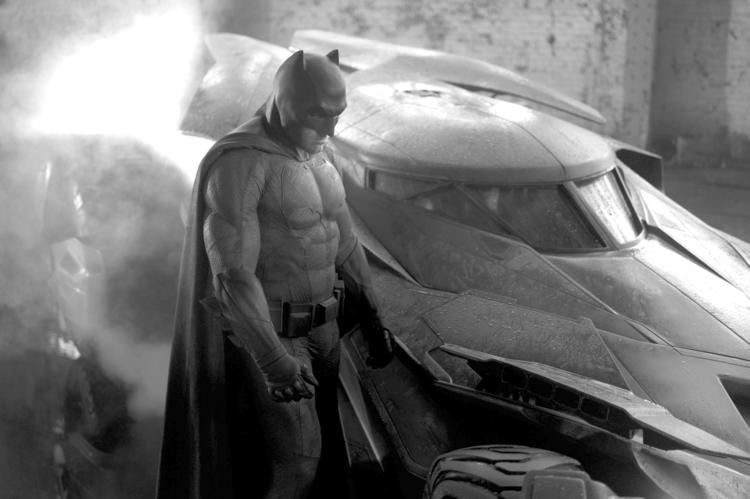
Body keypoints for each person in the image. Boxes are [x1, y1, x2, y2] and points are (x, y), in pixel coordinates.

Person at [156, 49, 394, 499]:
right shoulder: (241, 163)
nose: (330, 128)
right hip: (277, 333)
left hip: (325, 329)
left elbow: (344, 242)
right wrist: (272, 361)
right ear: (283, 101)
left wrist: (373, 315)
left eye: (337, 113)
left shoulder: (320, 156)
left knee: (326, 460)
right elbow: (233, 274)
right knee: (298, 463)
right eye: (317, 113)